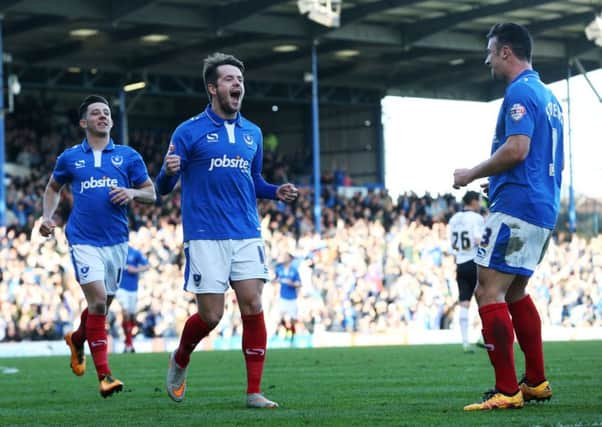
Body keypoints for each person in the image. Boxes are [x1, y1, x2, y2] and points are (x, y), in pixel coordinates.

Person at [156, 52, 298, 408]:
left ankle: (253, 392)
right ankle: (181, 357)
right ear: (212, 88)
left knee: (252, 302)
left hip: (246, 231)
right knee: (212, 316)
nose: (238, 85)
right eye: (230, 79)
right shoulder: (188, 131)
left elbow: (254, 181)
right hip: (204, 234)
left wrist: (274, 191)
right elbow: (161, 188)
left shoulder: (253, 133)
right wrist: (169, 171)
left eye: (241, 79)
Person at [453, 23, 563, 411]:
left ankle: (506, 390)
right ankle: (535, 381)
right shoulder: (548, 96)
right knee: (515, 291)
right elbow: (533, 159)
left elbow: (517, 149)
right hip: (542, 209)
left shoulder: (518, 92)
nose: (486, 59)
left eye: (490, 51)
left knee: (488, 291)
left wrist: (472, 174)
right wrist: (499, 182)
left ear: (505, 52)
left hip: (519, 208)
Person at [40, 95, 156, 398]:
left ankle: (78, 339)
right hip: (82, 239)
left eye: (106, 112)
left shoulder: (128, 156)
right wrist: (46, 217)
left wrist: (131, 192)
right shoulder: (70, 158)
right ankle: (105, 376)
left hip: (117, 241)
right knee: (100, 302)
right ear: (84, 122)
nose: (103, 116)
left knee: (100, 308)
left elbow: (151, 193)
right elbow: (53, 188)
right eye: (95, 113)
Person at [448, 191, 485, 353]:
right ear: (473, 201)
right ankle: (485, 337)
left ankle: (464, 342)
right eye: (479, 200)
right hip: (474, 261)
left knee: (464, 302)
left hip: (460, 263)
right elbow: (478, 239)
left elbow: (451, 244)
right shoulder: (476, 218)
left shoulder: (454, 218)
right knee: (485, 299)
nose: (481, 204)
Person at [116, 242, 150, 353]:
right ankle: (129, 342)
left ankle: (128, 343)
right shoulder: (116, 252)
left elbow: (147, 266)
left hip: (133, 289)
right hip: (121, 287)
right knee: (125, 312)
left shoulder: (135, 253)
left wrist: (135, 270)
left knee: (131, 316)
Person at [273, 252, 302, 344]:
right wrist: (275, 281)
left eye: (286, 257)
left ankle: (292, 337)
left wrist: (292, 284)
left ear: (290, 259)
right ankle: (286, 331)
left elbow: (299, 283)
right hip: (282, 297)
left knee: (293, 319)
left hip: (292, 298)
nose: (284, 258)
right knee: (280, 317)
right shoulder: (279, 269)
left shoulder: (294, 270)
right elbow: (275, 279)